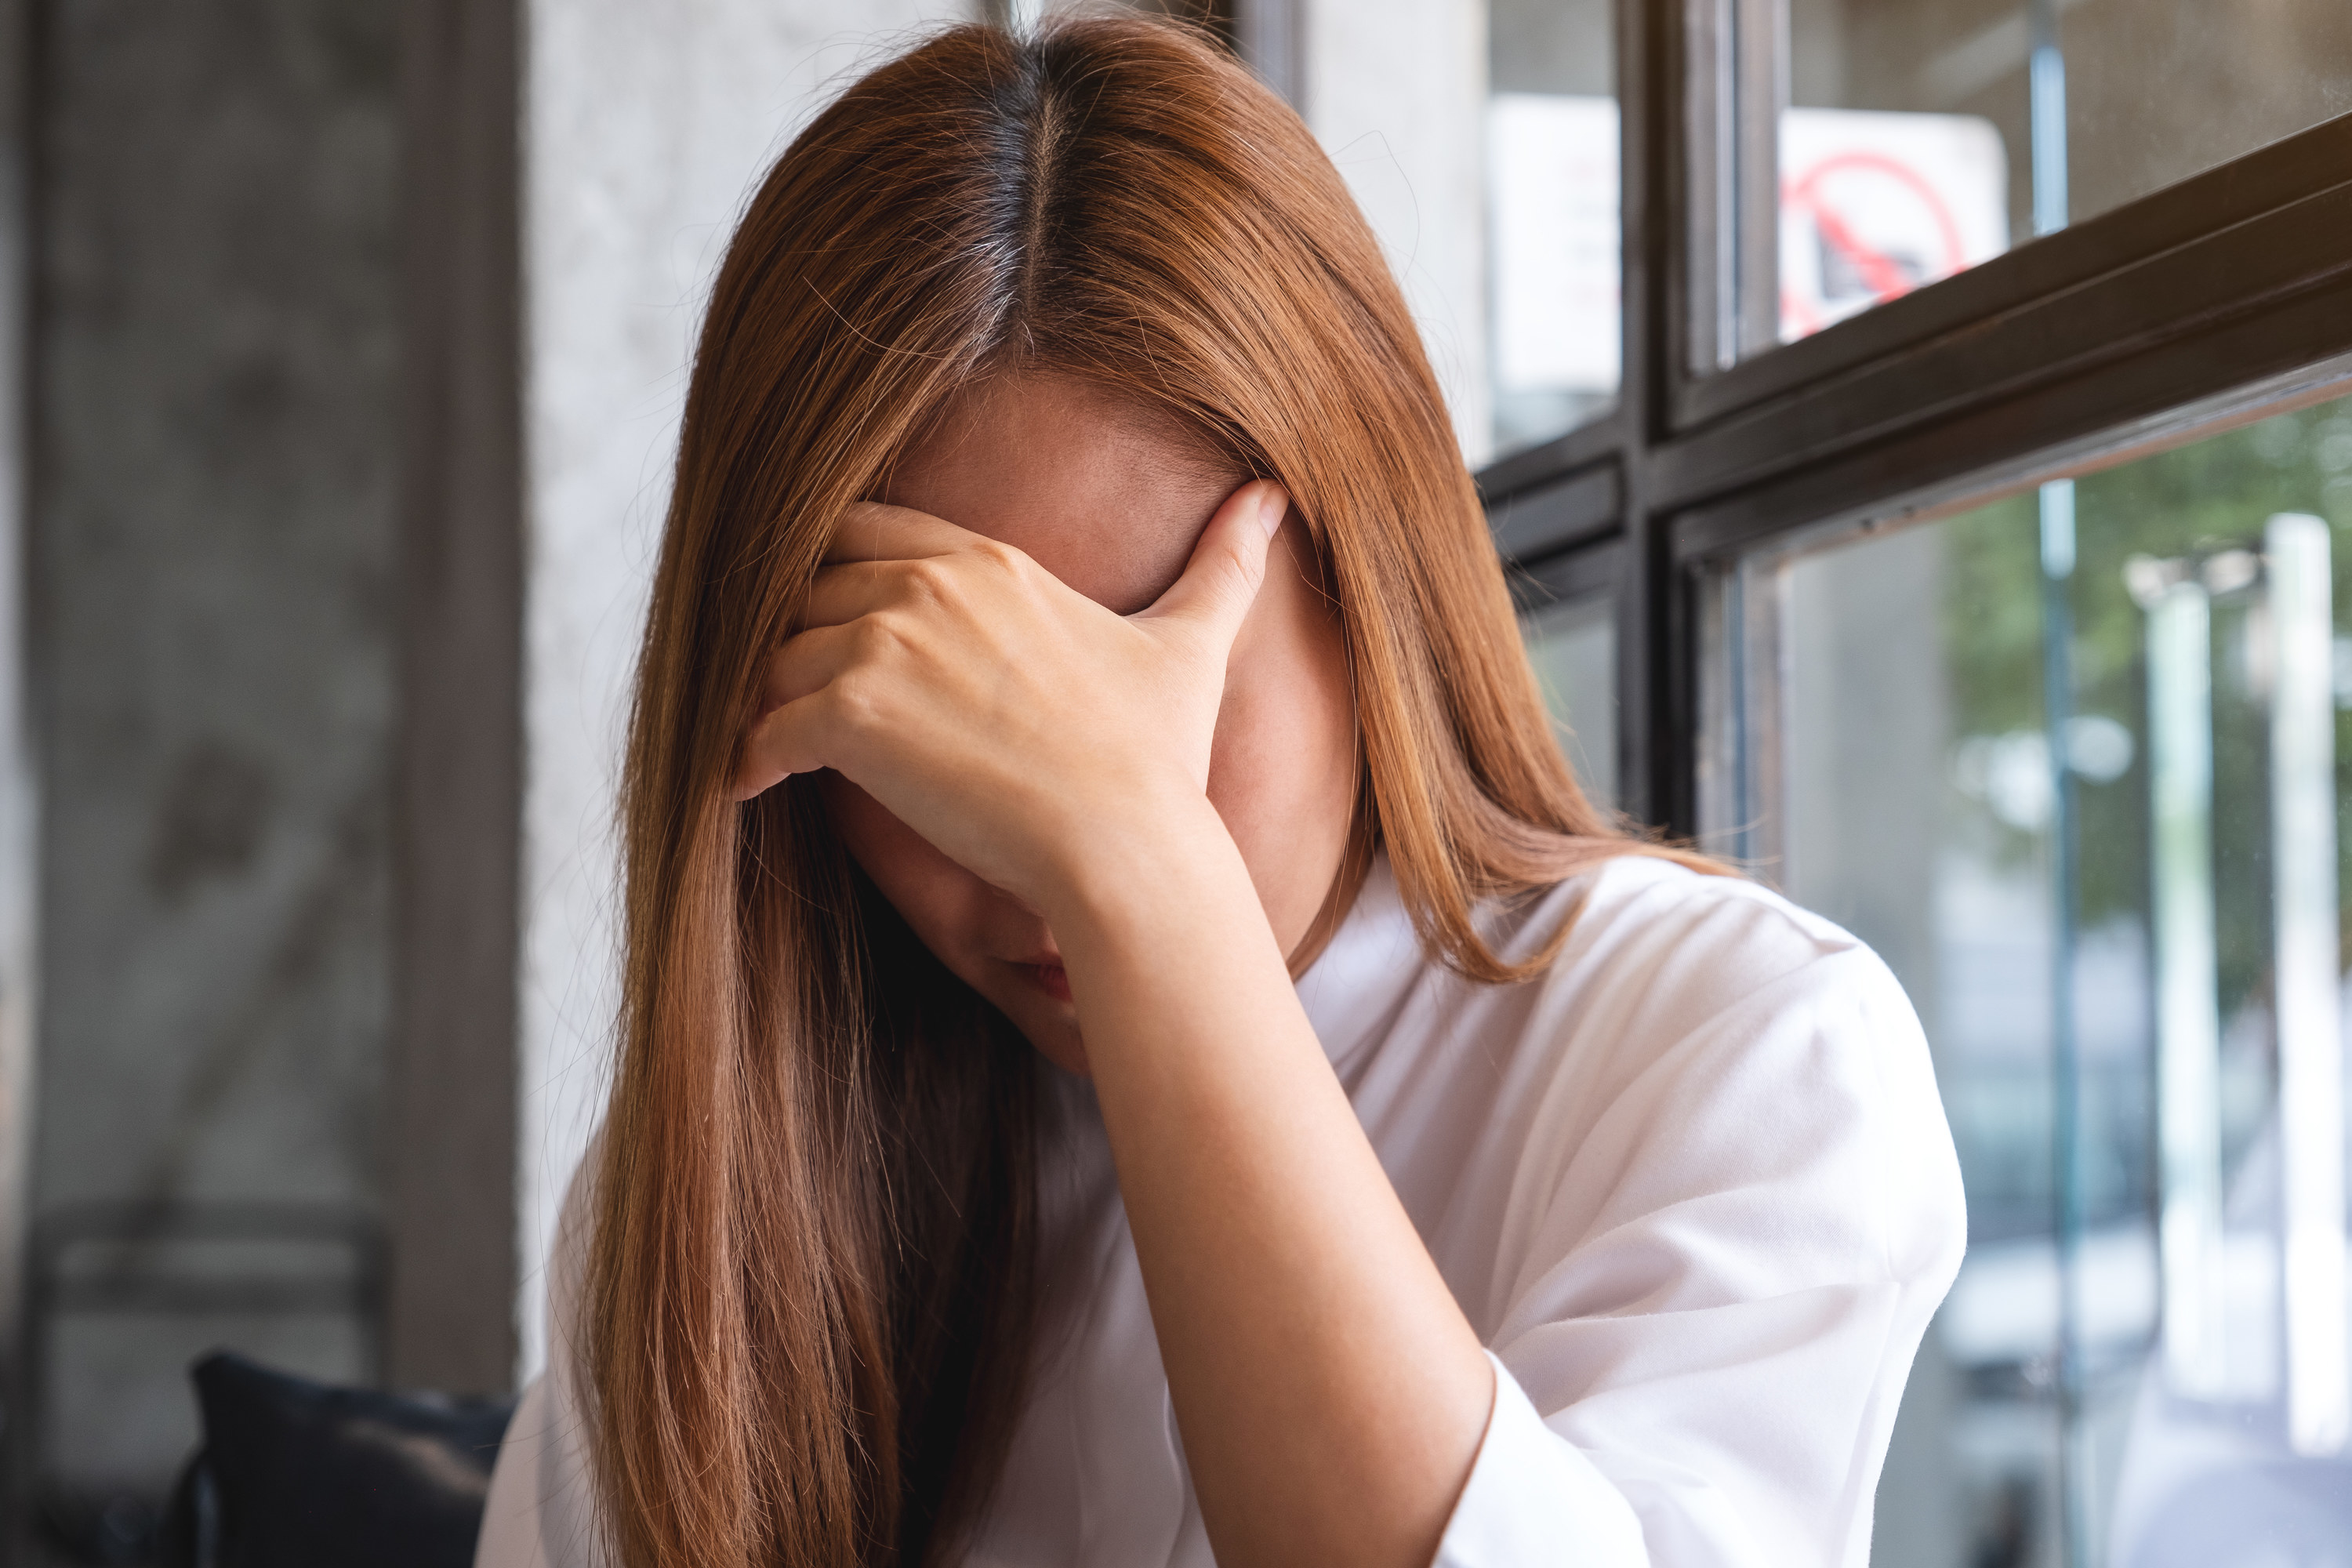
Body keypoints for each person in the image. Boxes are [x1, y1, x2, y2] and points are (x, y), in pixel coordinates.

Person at [475, 16, 1964, 1568]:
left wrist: (1150, 882)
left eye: (1138, 690)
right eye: (941, 731)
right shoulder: (722, 1192)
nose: (1043, 841)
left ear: (1364, 587)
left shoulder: (1737, 1045)